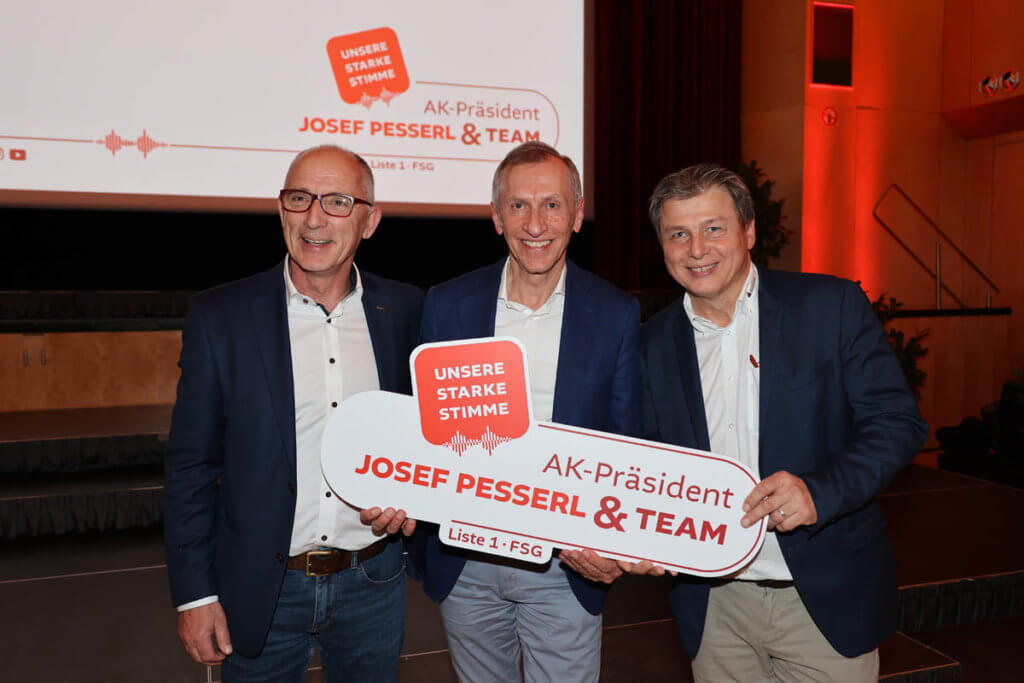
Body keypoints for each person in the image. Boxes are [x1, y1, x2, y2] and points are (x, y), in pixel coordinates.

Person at [633, 163, 927, 682]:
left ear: (748, 232)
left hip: (821, 601)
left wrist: (819, 491)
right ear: (663, 246)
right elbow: (647, 457)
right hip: (713, 608)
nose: (696, 249)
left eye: (713, 228)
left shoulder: (829, 307)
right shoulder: (651, 342)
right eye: (678, 234)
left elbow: (897, 422)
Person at [164, 145, 424, 682]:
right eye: (300, 198)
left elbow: (430, 436)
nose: (314, 218)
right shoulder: (221, 317)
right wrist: (195, 594)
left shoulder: (407, 311)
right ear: (281, 209)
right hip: (261, 588)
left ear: (370, 221)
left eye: (337, 202)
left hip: (374, 581)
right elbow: (191, 465)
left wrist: (415, 496)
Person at [411, 141, 641, 682]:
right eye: (518, 206)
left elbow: (626, 439)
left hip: (566, 563)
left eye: (552, 205)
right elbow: (423, 427)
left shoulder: (615, 313)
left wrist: (613, 542)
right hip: (466, 560)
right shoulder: (447, 304)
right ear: (497, 217)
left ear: (577, 214)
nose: (535, 224)